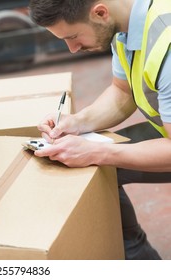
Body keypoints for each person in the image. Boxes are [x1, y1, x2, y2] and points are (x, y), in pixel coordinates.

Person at [28, 0, 171, 260]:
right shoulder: (124, 26)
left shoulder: (166, 38)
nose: (72, 49)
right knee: (95, 165)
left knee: (100, 159)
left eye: (72, 36)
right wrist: (78, 122)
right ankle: (138, 257)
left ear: (100, 13)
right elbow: (122, 91)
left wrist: (97, 152)